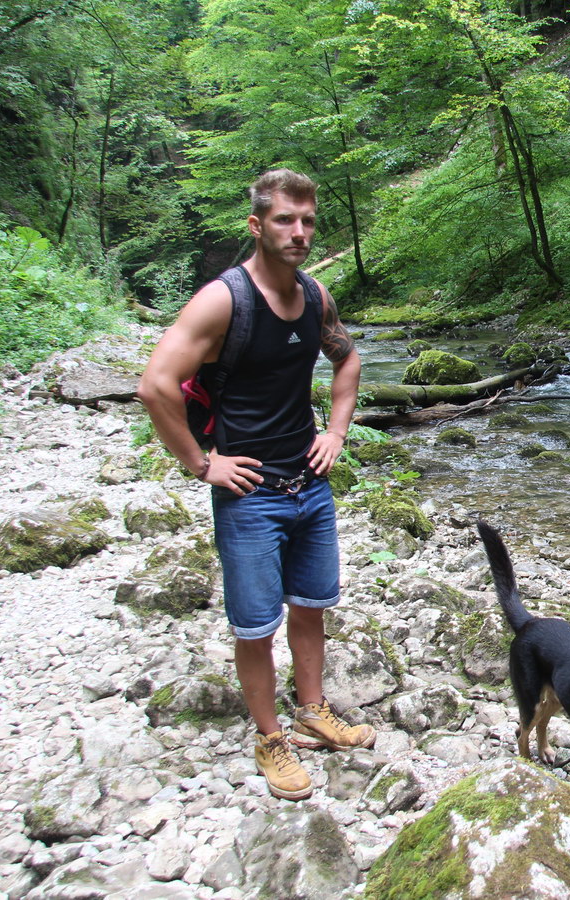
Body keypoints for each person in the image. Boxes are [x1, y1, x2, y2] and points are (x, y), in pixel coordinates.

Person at [138, 169, 373, 801]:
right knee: (254, 625)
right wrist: (202, 463)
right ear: (257, 225)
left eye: (308, 221)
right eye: (284, 220)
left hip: (310, 482)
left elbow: (347, 357)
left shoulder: (315, 296)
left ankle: (312, 710)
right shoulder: (224, 301)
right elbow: (155, 385)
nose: (299, 232)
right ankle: (271, 738)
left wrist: (337, 432)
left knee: (312, 603)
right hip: (249, 495)